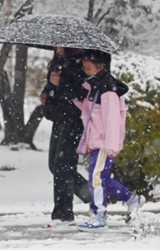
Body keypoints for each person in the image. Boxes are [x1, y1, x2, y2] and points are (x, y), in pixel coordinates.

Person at [74, 49, 145, 231]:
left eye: (89, 68)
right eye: (85, 68)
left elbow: (112, 120)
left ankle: (99, 215)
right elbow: (91, 113)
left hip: (104, 143)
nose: (86, 71)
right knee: (100, 179)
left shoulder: (107, 90)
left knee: (96, 178)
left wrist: (111, 145)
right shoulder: (96, 87)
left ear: (100, 67)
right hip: (97, 141)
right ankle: (132, 199)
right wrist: (74, 98)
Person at [39, 46, 91, 226]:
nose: (58, 47)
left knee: (63, 165)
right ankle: (93, 195)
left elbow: (80, 93)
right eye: (56, 44)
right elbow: (52, 87)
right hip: (58, 118)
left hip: (73, 120)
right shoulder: (57, 63)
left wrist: (60, 84)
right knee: (55, 165)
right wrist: (48, 90)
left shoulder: (78, 64)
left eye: (62, 44)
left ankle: (63, 213)